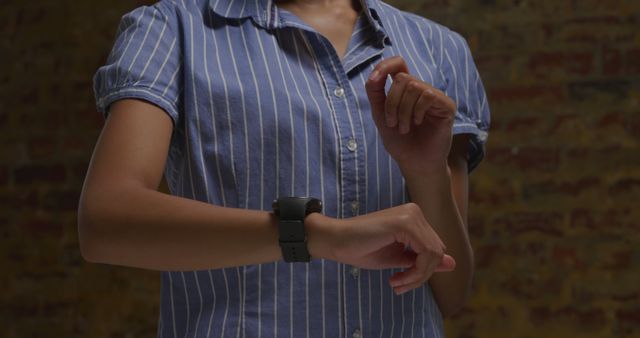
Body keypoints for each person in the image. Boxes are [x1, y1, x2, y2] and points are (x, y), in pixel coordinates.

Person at [78, 0, 490, 336]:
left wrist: (425, 171)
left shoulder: (438, 49)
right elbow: (105, 221)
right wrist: (316, 235)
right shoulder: (172, 29)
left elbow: (450, 291)